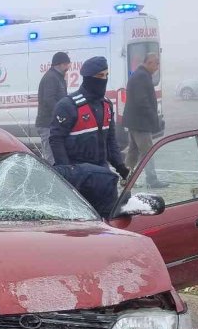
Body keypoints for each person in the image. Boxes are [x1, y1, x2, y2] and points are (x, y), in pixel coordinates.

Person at [49, 56, 129, 217]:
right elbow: (56, 140)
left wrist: (121, 167)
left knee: (109, 223)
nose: (104, 80)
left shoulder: (107, 105)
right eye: (100, 76)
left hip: (103, 177)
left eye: (106, 75)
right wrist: (68, 173)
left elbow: (111, 141)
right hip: (80, 178)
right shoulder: (68, 105)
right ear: (88, 77)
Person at [123, 53, 168, 188]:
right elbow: (142, 101)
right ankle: (151, 179)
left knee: (133, 151)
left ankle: (126, 177)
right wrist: (154, 118)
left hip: (135, 121)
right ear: (148, 63)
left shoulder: (141, 75)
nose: (157, 67)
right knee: (148, 151)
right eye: (156, 64)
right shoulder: (141, 77)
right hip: (140, 122)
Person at [35, 52, 71, 163]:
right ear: (59, 64)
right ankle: (49, 178)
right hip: (47, 124)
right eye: (66, 64)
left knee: (57, 156)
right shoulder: (51, 78)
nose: (68, 67)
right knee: (50, 158)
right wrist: (62, 113)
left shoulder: (59, 77)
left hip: (53, 123)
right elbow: (49, 100)